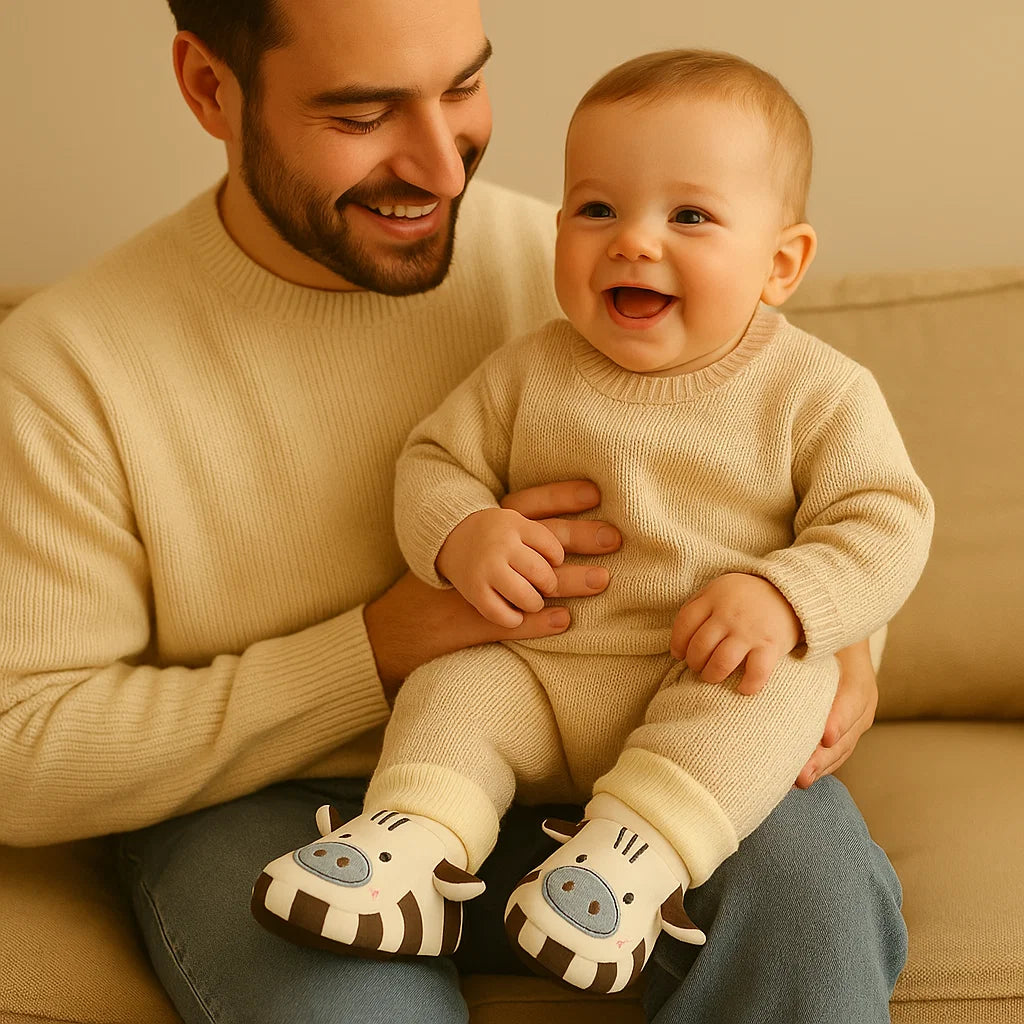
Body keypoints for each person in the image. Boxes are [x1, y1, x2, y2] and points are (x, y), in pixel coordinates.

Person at [0, 1, 906, 1021]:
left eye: (463, 88)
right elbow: (18, 752)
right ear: (212, 88)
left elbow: (807, 473)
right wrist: (374, 651)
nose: (441, 168)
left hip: (647, 747)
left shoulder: (586, 263)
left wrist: (839, 628)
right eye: (361, 114)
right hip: (283, 806)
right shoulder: (65, 374)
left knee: (811, 897)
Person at [255, 47, 933, 996]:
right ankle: (413, 845)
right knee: (457, 690)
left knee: (782, 686)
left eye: (688, 215)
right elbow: (433, 462)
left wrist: (789, 598)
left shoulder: (813, 392)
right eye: (597, 209)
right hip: (537, 666)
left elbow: (887, 519)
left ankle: (630, 860)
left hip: (696, 673)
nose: (632, 242)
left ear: (782, 263)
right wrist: (462, 536)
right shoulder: (532, 368)